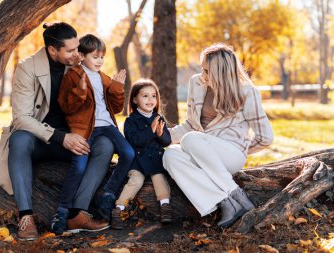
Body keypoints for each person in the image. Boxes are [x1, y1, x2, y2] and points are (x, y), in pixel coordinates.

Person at [0, 22, 113, 241]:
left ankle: (77, 213)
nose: (76, 53)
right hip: (39, 139)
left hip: (73, 136)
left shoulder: (80, 65)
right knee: (18, 140)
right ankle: (26, 216)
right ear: (52, 50)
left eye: (77, 48)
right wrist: (61, 137)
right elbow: (21, 118)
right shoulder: (27, 68)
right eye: (70, 50)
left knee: (105, 145)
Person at [162, 43, 274, 229]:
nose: (203, 75)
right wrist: (162, 138)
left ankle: (237, 195)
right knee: (170, 155)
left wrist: (243, 149)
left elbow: (265, 137)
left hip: (230, 153)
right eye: (202, 69)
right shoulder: (197, 84)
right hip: (199, 148)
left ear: (221, 72)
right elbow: (191, 125)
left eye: (207, 71)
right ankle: (226, 202)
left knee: (191, 139)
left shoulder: (247, 92)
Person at [55, 34, 135, 231]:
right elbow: (66, 107)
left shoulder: (102, 76)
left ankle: (108, 195)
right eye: (95, 57)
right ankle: (62, 212)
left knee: (128, 153)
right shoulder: (72, 75)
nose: (100, 61)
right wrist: (80, 92)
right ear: (81, 56)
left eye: (102, 57)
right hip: (84, 130)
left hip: (107, 126)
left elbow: (115, 108)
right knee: (79, 167)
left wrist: (116, 87)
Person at [110, 79, 174, 229]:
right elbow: (134, 140)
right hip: (137, 161)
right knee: (136, 181)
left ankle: (165, 207)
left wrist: (160, 134)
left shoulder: (159, 118)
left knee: (159, 179)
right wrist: (150, 131)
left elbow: (166, 141)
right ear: (134, 99)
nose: (150, 100)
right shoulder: (130, 121)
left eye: (153, 96)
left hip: (155, 160)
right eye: (145, 96)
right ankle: (118, 209)